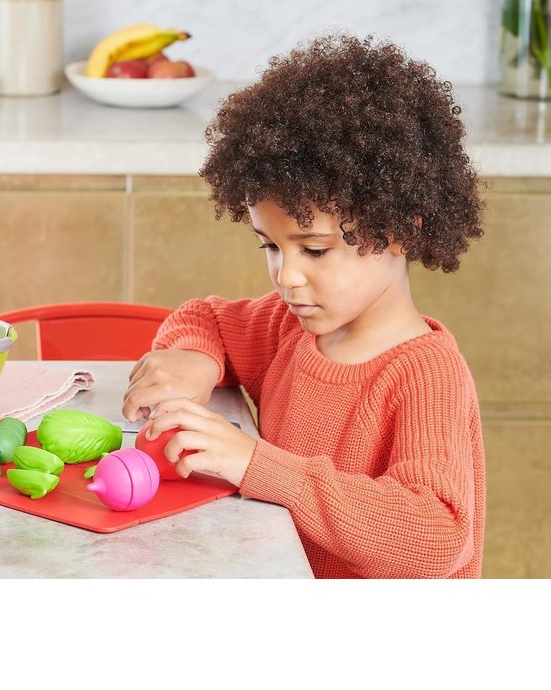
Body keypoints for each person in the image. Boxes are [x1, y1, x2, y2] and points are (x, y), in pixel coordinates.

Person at [121, 33, 486, 579]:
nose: (286, 277)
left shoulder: (426, 375)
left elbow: (435, 538)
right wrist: (195, 359)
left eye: (314, 250)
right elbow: (207, 319)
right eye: (270, 246)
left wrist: (256, 464)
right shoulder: (290, 326)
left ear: (400, 233)